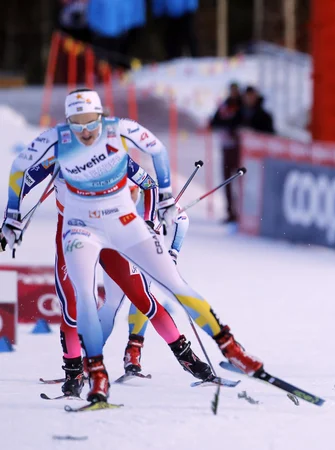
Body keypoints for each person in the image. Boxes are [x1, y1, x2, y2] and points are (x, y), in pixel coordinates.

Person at [1, 89, 264, 403]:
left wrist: (154, 216)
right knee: (73, 307)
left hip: (120, 230)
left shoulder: (116, 148)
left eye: (91, 123)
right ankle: (76, 374)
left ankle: (192, 360)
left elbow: (150, 182)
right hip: (74, 230)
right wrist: (12, 218)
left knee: (144, 298)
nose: (85, 132)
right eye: (77, 124)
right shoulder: (60, 151)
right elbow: (24, 176)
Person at [95, 181, 191, 375]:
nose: (129, 197)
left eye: (132, 191)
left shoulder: (153, 200)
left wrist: (173, 252)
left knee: (143, 300)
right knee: (112, 304)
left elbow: (183, 220)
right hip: (118, 258)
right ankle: (87, 358)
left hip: (146, 258)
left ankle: (133, 353)